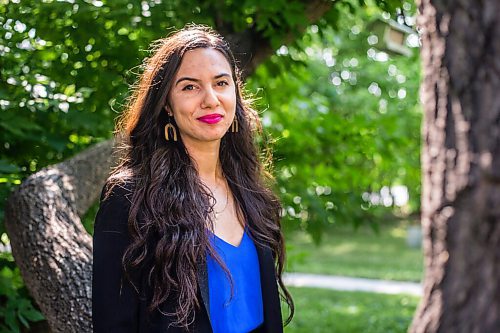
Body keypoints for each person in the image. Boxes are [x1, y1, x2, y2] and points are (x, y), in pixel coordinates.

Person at [92, 24, 294, 333]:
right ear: (167, 105)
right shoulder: (130, 196)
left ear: (236, 93)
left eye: (221, 83)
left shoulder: (252, 193)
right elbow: (112, 323)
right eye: (190, 87)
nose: (211, 99)